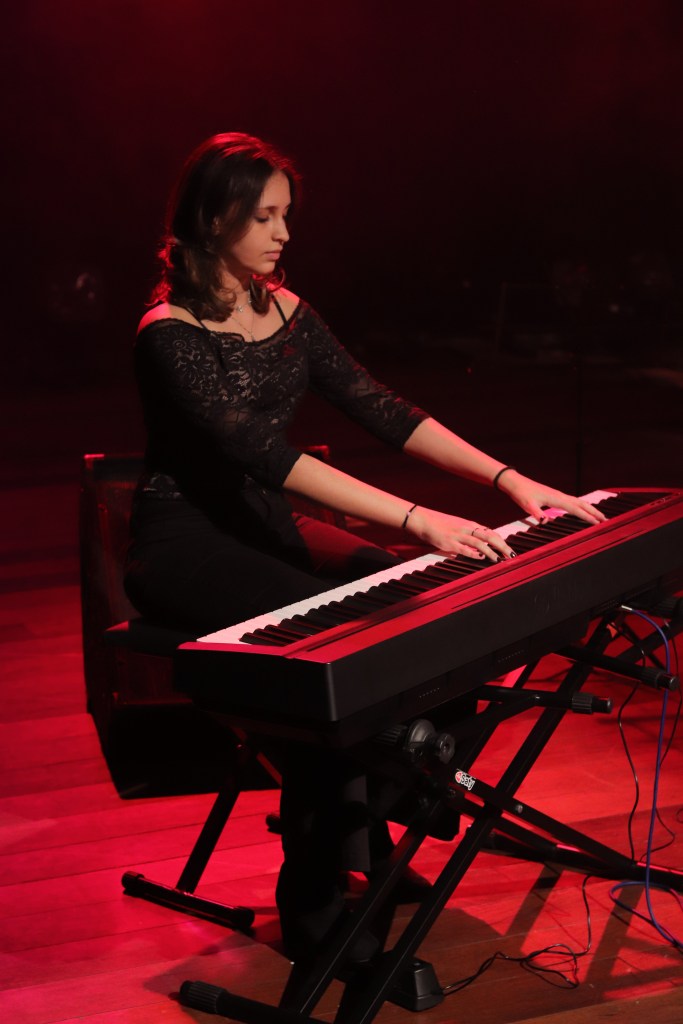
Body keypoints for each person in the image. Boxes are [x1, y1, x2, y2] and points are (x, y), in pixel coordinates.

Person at [124, 131, 605, 963]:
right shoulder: (167, 333)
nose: (283, 233)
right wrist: (417, 517)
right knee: (336, 659)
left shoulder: (285, 309)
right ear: (211, 218)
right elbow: (264, 456)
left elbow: (380, 407)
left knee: (435, 601)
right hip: (184, 541)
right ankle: (319, 895)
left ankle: (383, 804)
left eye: (286, 215)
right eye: (264, 217)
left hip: (261, 522)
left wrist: (509, 480)